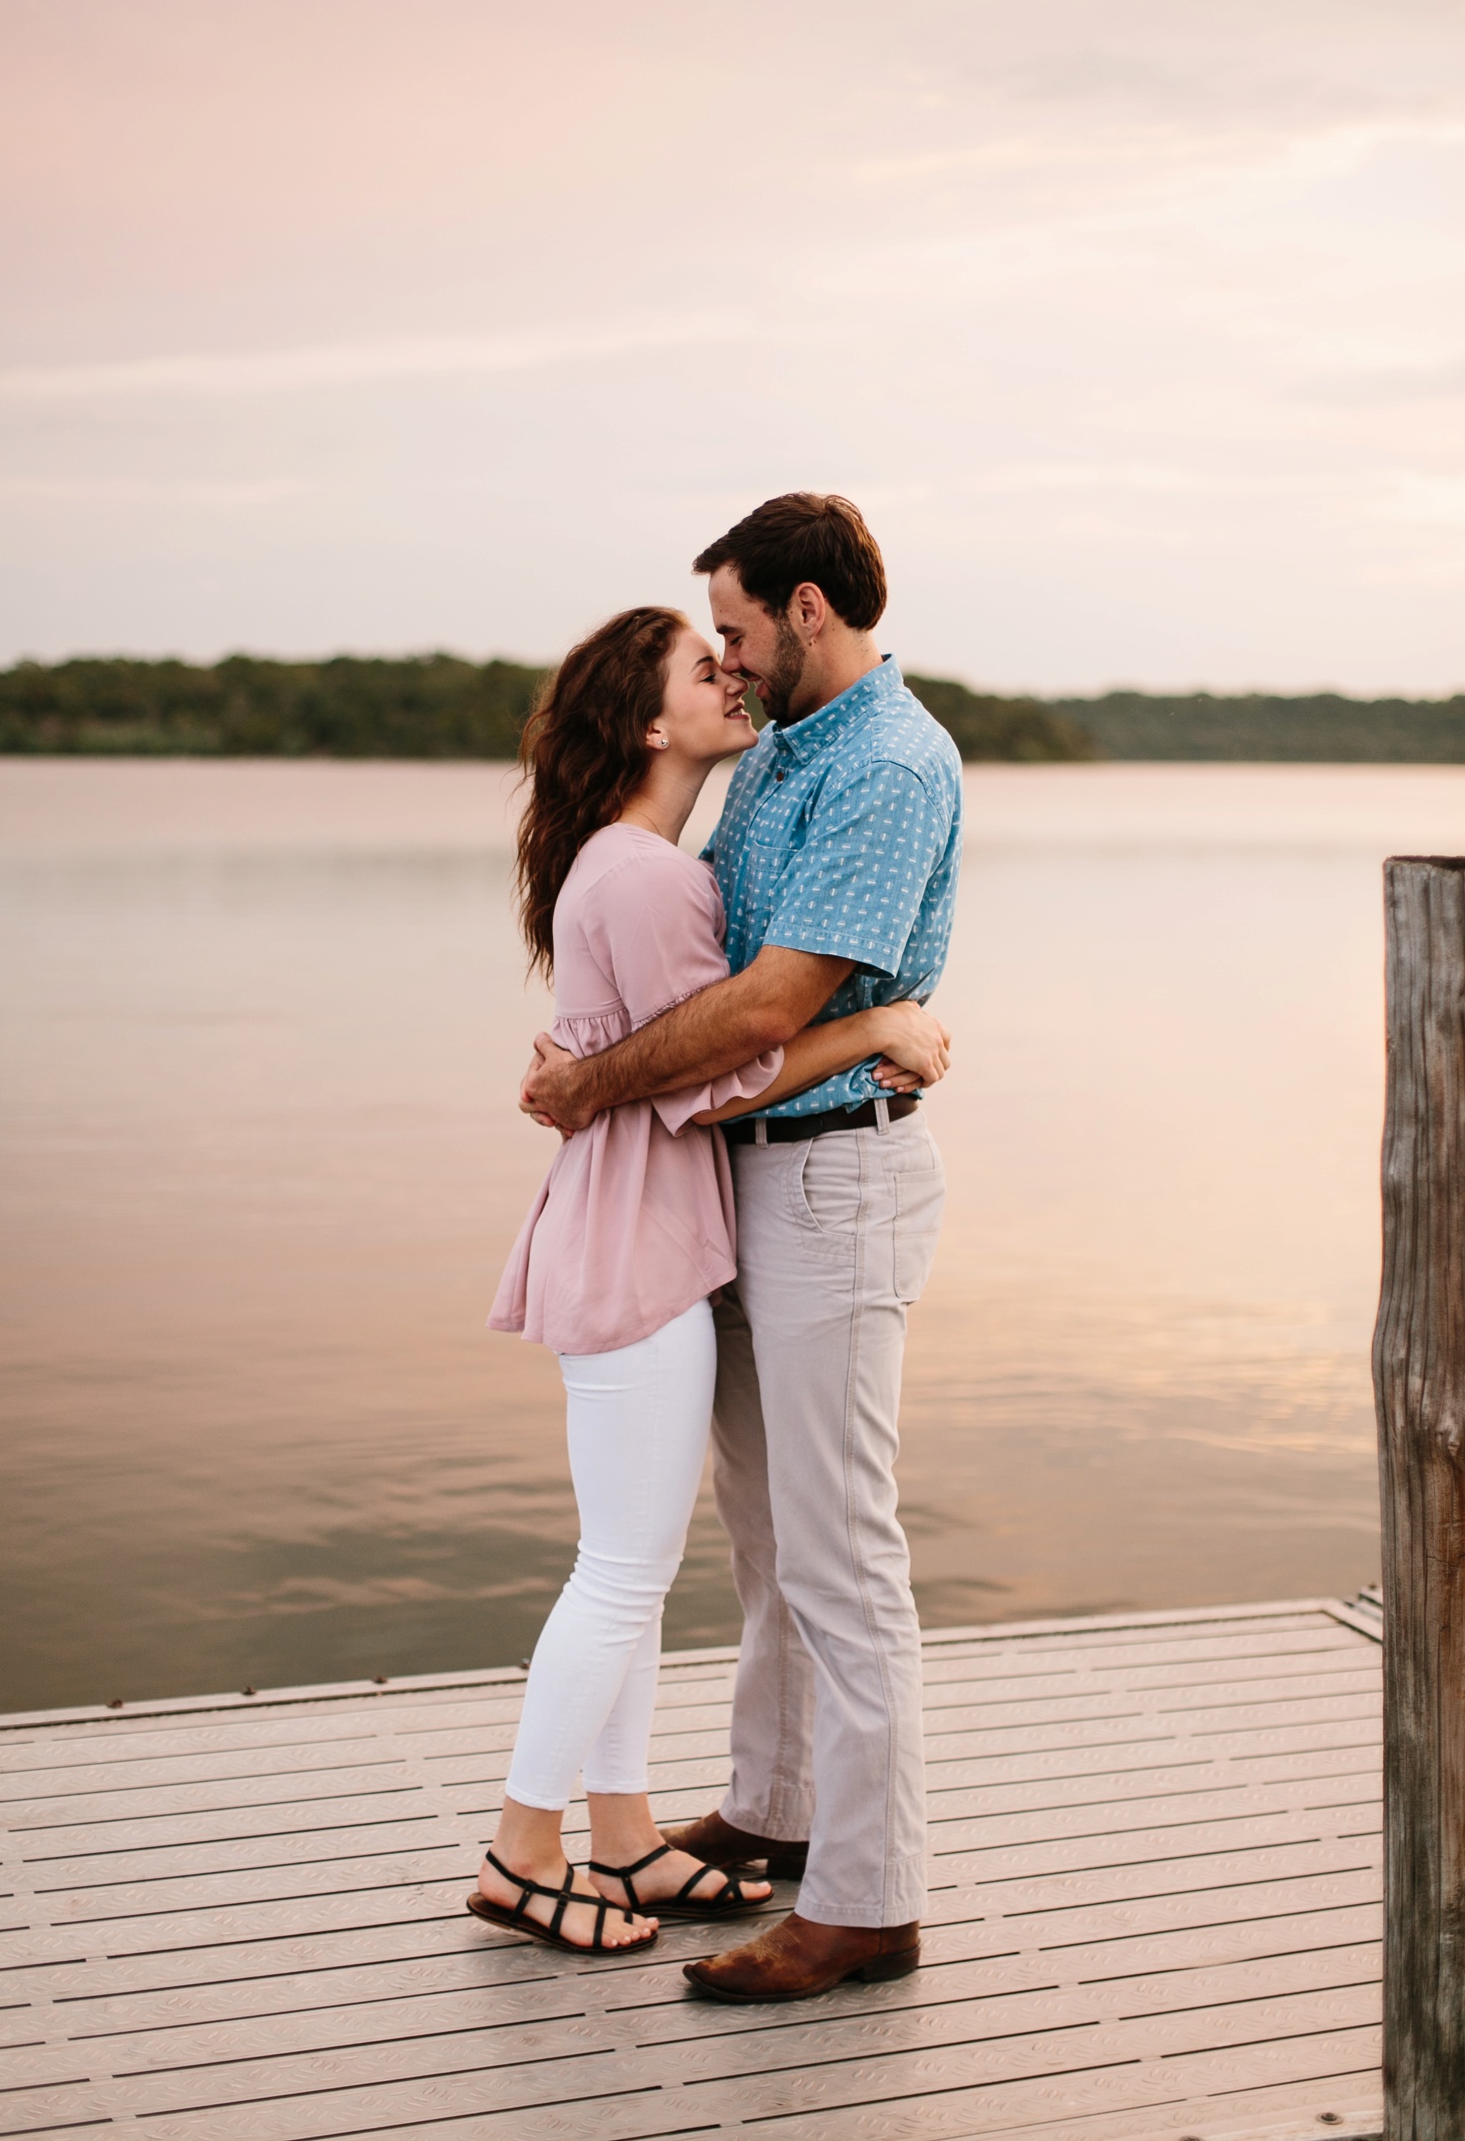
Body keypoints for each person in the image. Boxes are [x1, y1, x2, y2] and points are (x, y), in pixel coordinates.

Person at [520, 496, 964, 2001]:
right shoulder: (775, 753)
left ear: (811, 612)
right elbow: (687, 984)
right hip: (740, 1182)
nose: (729, 654)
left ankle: (869, 1894)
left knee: (844, 1554)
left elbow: (766, 1005)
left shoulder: (892, 764)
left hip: (836, 1178)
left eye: (738, 627)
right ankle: (774, 1810)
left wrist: (586, 1084)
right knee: (769, 1540)